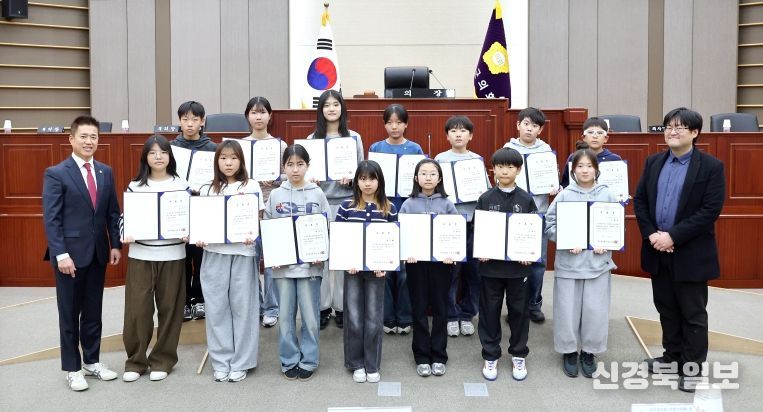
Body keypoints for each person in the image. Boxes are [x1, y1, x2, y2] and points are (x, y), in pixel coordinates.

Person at [633, 107, 725, 393]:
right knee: (667, 309)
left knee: (692, 313)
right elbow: (640, 201)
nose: (672, 132)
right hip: (656, 249)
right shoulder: (653, 162)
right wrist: (652, 234)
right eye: (668, 127)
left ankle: (692, 368)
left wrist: (672, 236)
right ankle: (671, 357)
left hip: (690, 253)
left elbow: (709, 211)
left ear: (695, 132)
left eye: (679, 127)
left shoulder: (711, 167)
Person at [42, 115, 122, 391]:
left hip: (98, 253)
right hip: (69, 257)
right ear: (72, 139)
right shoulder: (56, 173)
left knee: (92, 311)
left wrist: (115, 244)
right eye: (84, 136)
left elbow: (112, 212)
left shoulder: (105, 172)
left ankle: (92, 361)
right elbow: (51, 218)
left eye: (94, 137)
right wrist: (60, 254)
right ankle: (72, 368)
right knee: (69, 314)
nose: (89, 141)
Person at [545, 141, 617, 379]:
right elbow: (549, 224)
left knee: (596, 310)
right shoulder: (565, 195)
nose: (585, 170)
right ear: (572, 170)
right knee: (567, 310)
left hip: (597, 264)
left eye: (589, 166)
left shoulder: (607, 193)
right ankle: (568, 351)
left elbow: (615, 226)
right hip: (569, 264)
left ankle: (589, 351)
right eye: (580, 166)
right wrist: (565, 239)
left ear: (596, 169)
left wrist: (607, 242)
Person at [121, 135, 190, 382]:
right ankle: (136, 361)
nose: (158, 156)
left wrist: (190, 231)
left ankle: (163, 359)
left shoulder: (182, 185)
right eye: (152, 152)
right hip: (141, 254)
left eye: (163, 152)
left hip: (173, 255)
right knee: (138, 309)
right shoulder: (135, 186)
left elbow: (192, 217)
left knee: (170, 308)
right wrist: (124, 233)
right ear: (145, 158)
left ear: (170, 156)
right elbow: (124, 218)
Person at [196, 140, 264, 383]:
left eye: (233, 158)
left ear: (241, 161)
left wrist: (252, 233)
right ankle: (221, 361)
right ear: (216, 161)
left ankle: (242, 361)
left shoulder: (251, 185)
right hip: (214, 253)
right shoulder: (207, 189)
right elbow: (200, 221)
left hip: (242, 253)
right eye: (223, 158)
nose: (228, 163)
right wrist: (199, 237)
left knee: (244, 308)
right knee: (216, 309)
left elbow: (258, 218)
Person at [265, 144, 330, 381]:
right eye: (290, 164)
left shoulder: (317, 193)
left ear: (307, 166)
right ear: (283, 167)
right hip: (283, 268)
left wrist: (321, 252)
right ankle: (289, 359)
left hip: (310, 267)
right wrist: (273, 255)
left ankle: (309, 359)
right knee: (285, 317)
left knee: (311, 318)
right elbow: (268, 227)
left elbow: (327, 226)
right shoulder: (276, 195)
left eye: (300, 164)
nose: (295, 169)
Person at [476, 147, 537, 382]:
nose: (504, 171)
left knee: (519, 313)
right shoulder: (485, 198)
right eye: (500, 166)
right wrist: (481, 250)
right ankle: (490, 354)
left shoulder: (526, 199)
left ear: (518, 170)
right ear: (493, 169)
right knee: (489, 312)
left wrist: (529, 253)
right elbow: (478, 230)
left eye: (510, 167)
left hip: (518, 269)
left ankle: (518, 354)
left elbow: (534, 231)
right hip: (491, 267)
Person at [306, 90, 365, 330]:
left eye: (335, 104)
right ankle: (322, 307)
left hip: (346, 203)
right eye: (326, 105)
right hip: (320, 202)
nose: (331, 109)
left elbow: (363, 175)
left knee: (343, 257)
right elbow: (304, 174)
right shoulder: (312, 139)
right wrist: (312, 179)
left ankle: (341, 307)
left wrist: (351, 180)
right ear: (320, 110)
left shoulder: (354, 138)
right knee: (320, 256)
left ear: (342, 108)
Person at [337, 160, 398, 384]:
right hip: (352, 270)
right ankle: (356, 363)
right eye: (362, 179)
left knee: (373, 318)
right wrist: (347, 261)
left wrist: (385, 265)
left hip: (377, 272)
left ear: (380, 181)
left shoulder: (389, 208)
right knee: (353, 317)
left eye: (372, 178)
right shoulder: (346, 206)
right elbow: (339, 238)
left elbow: (394, 241)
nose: (367, 183)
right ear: (356, 181)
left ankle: (372, 363)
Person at [400, 159, 458, 377]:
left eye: (432, 174)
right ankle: (422, 355)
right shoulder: (408, 204)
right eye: (423, 173)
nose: (428, 177)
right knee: (419, 308)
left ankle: (439, 355)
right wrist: (406, 253)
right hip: (416, 264)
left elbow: (456, 232)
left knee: (441, 309)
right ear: (416, 178)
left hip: (442, 265)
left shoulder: (447, 204)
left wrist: (452, 254)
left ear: (439, 178)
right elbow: (402, 233)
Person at [369, 103, 423, 335]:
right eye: (390, 122)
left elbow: (422, 178)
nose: (394, 127)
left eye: (399, 122)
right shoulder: (376, 148)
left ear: (406, 124)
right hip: (382, 211)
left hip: (408, 211)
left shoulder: (415, 148)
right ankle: (387, 316)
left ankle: (405, 316)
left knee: (405, 270)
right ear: (384, 124)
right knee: (384, 266)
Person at [503, 107, 558, 323]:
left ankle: (534, 304)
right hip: (513, 214)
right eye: (526, 124)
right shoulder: (508, 149)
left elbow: (552, 179)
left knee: (537, 263)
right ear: (518, 125)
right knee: (513, 263)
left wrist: (554, 186)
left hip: (538, 214)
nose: (529, 129)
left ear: (540, 130)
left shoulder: (546, 151)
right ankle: (514, 307)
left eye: (534, 126)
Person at [434, 115, 483, 338]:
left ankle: (467, 314)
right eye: (453, 131)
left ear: (470, 135)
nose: (458, 134)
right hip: (449, 223)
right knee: (450, 273)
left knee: (474, 272)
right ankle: (451, 315)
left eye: (463, 131)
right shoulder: (440, 159)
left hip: (473, 222)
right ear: (447, 136)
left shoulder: (477, 160)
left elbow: (485, 191)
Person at [170, 100, 216, 322]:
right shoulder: (171, 148)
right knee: (182, 257)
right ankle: (184, 300)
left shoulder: (212, 148)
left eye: (194, 119)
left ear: (202, 121)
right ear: (179, 121)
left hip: (202, 208)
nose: (189, 124)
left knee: (201, 256)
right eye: (185, 119)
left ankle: (199, 299)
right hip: (178, 209)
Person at [244, 96, 288, 328]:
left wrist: (277, 178)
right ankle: (256, 306)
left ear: (270, 116)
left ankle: (271, 308)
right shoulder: (240, 146)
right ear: (247, 116)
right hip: (247, 210)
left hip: (273, 207)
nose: (258, 116)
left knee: (272, 262)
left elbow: (290, 174)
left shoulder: (280, 146)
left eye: (262, 112)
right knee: (250, 260)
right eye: (254, 112)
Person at [559, 117, 623, 188]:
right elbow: (565, 184)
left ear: (606, 138)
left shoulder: (615, 159)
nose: (595, 136)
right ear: (583, 137)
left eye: (599, 133)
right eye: (590, 132)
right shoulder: (574, 157)